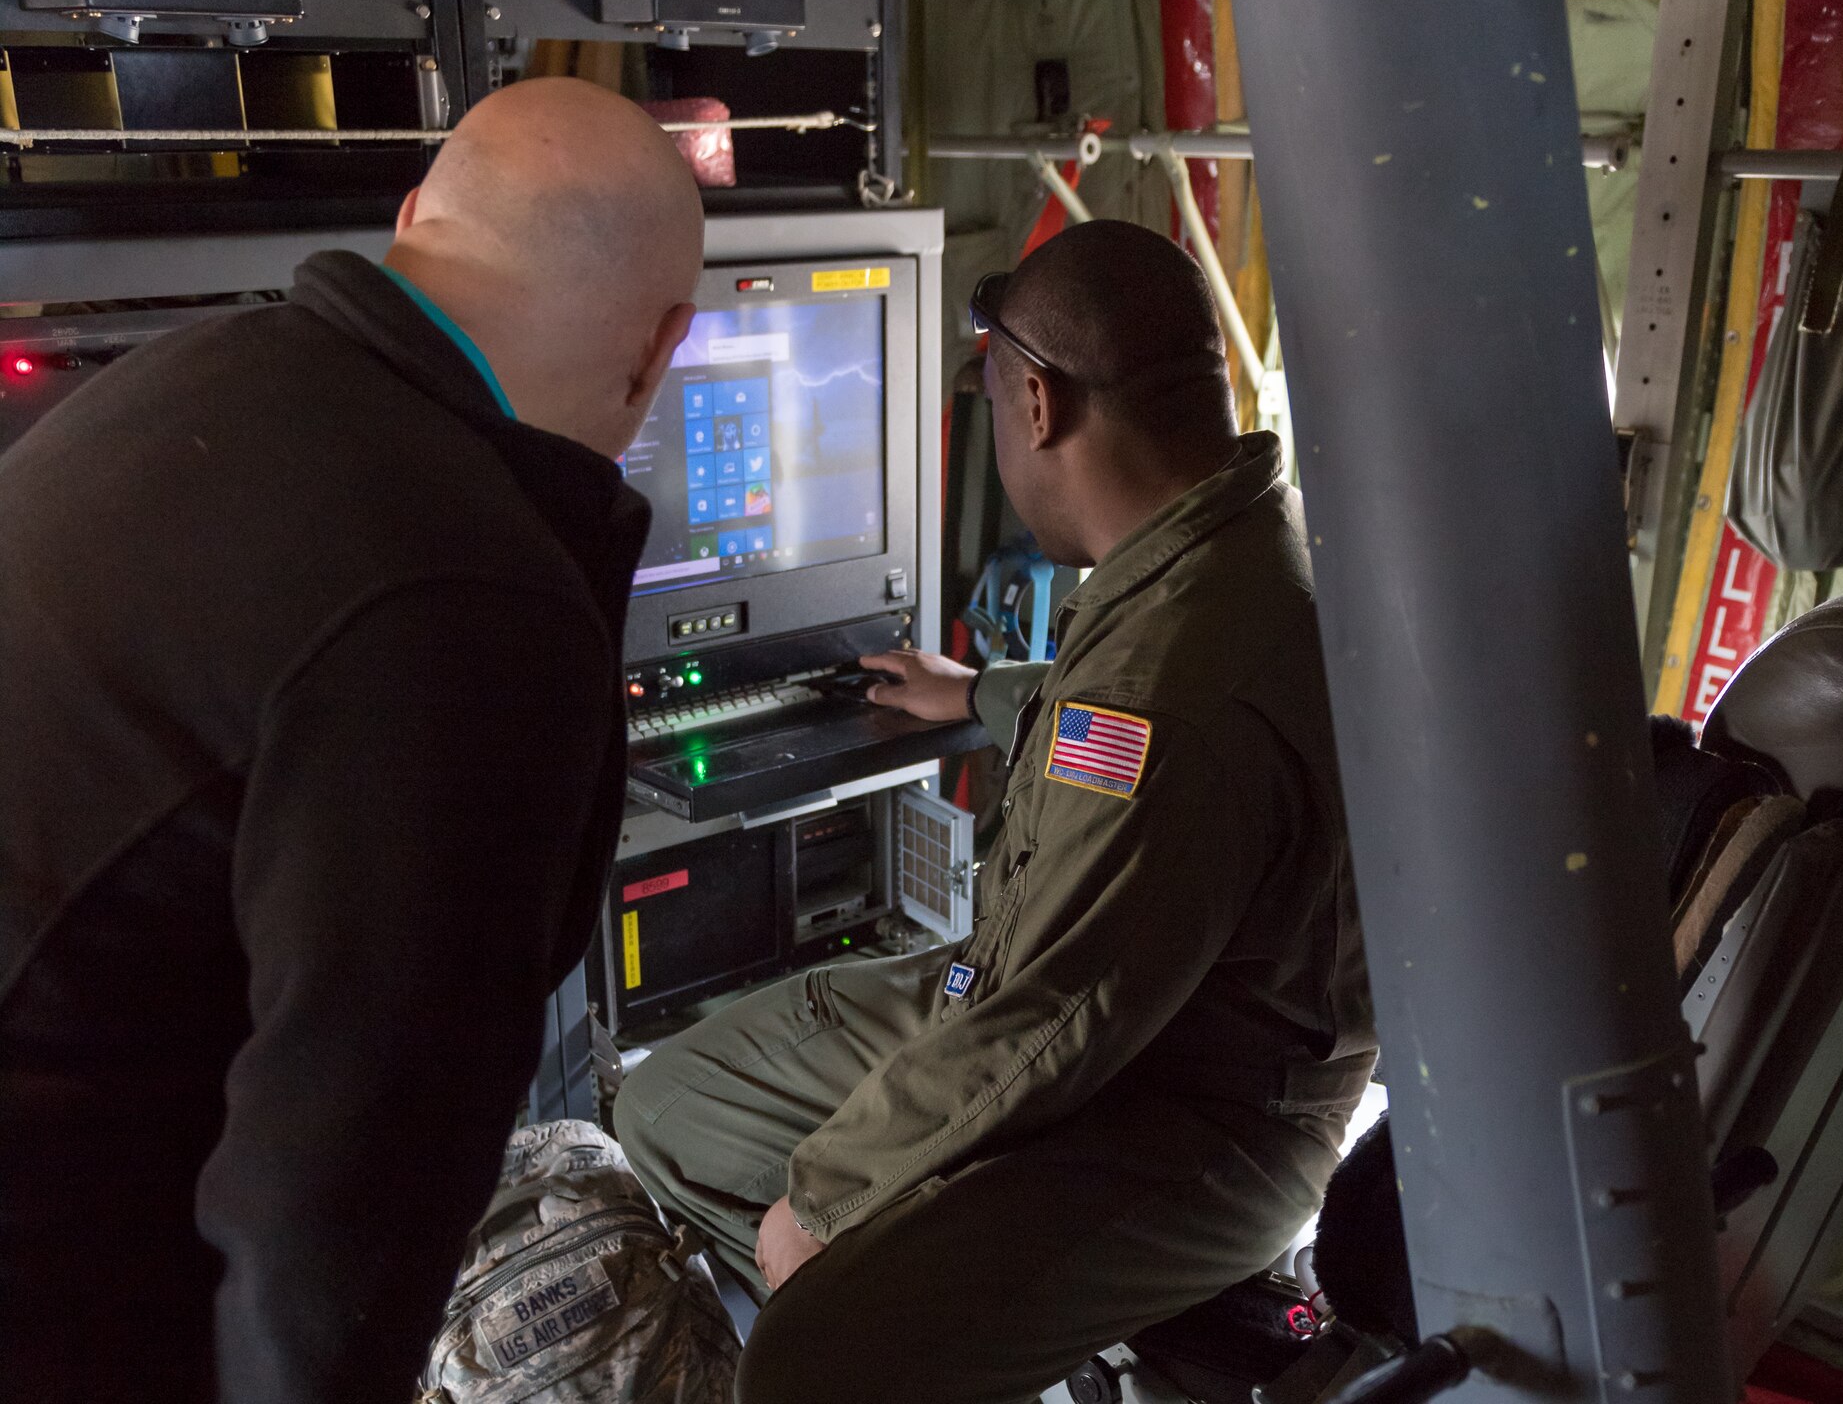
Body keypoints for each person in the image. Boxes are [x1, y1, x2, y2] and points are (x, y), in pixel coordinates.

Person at [0, 78, 704, 1404]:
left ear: (410, 226)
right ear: (664, 343)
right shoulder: (471, 609)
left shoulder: (204, 377)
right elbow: (338, 1221)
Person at [614, 220, 1376, 1404]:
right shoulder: (1221, 558)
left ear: (1034, 402)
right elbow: (1120, 741)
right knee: (667, 1102)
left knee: (809, 1361)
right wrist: (977, 691)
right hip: (1082, 1006)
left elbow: (1047, 1019)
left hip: (1195, 1117)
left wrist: (823, 1202)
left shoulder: (1165, 692)